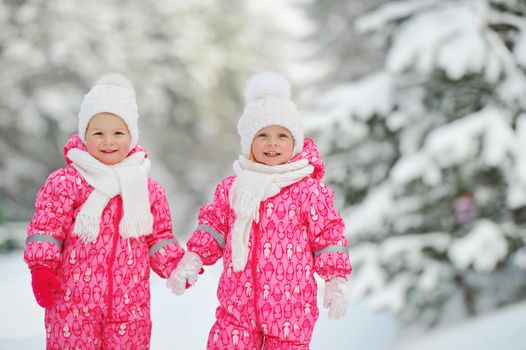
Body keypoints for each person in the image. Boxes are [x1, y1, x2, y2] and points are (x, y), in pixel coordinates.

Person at [167, 72, 352, 349]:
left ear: (296, 142)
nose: (272, 143)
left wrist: (335, 281)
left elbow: (327, 237)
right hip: (237, 306)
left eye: (281, 135)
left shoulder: (308, 191)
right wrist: (193, 258)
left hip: (291, 311)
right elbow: (214, 227)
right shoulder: (234, 187)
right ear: (249, 143)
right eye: (262, 135)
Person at [24, 74, 186, 349]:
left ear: (132, 136)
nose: (108, 141)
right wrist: (41, 267)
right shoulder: (67, 182)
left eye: (118, 133)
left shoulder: (148, 189)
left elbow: (158, 237)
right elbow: (47, 228)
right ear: (84, 135)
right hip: (72, 305)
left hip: (129, 308)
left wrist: (177, 267)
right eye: (98, 133)